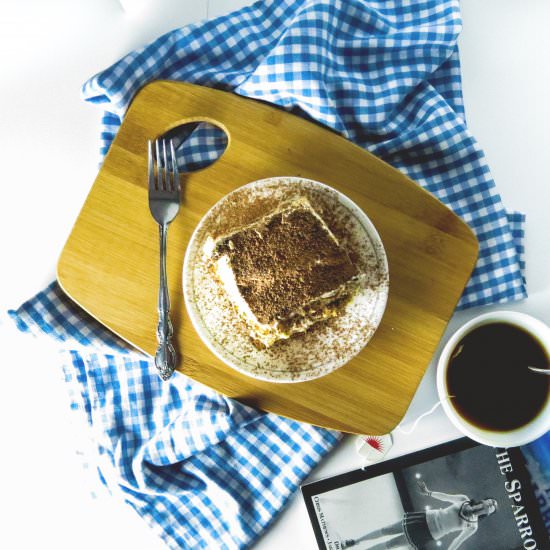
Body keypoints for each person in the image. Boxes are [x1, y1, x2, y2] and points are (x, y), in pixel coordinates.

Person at [342, 481, 498, 550]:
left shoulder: (473, 526)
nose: (491, 505)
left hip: (430, 533)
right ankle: (355, 542)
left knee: (391, 545)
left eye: (493, 507)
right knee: (387, 530)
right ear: (485, 500)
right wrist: (429, 492)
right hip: (425, 518)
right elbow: (446, 497)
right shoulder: (464, 499)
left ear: (489, 514)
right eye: (491, 501)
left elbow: (458, 541)